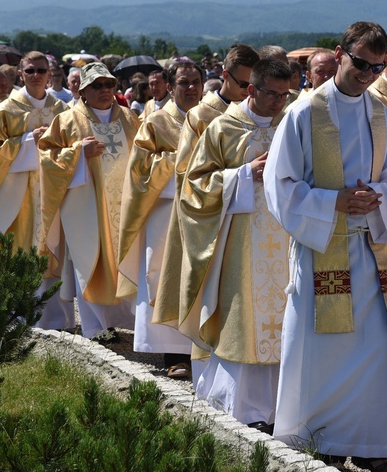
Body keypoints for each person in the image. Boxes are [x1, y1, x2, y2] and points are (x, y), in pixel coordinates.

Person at [264, 21, 387, 471]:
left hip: (369, 248)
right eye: (361, 63)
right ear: (340, 53)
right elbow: (280, 185)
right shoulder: (305, 113)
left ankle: (371, 445)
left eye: (377, 66)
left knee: (372, 349)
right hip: (322, 250)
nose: (367, 74)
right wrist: (334, 202)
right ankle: (323, 439)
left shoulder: (379, 113)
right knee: (322, 349)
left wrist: (378, 197)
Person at [168, 59, 292, 432]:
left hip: (286, 238)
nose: (279, 103)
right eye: (272, 94)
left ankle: (282, 409)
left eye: (285, 95)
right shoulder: (224, 126)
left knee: (285, 320)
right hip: (240, 242)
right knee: (243, 319)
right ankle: (242, 407)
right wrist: (242, 175)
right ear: (251, 89)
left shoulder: (292, 125)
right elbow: (192, 188)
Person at [153, 43, 259, 380]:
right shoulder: (203, 116)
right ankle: (187, 355)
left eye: (254, 85)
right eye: (244, 85)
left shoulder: (258, 114)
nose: (250, 92)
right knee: (199, 285)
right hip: (206, 213)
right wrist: (237, 177)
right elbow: (186, 173)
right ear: (224, 76)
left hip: (248, 218)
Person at [0, 51, 71, 329]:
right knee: (18, 248)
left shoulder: (62, 110)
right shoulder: (6, 110)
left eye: (41, 71)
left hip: (52, 192)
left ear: (50, 74)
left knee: (52, 248)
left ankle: (55, 319)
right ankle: (16, 317)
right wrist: (24, 142)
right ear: (20, 75)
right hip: (18, 195)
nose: (36, 76)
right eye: (30, 71)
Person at [39, 62, 140, 338]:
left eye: (109, 84)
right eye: (97, 86)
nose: (104, 90)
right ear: (83, 90)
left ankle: (129, 322)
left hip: (125, 206)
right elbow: (46, 156)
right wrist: (77, 153)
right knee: (89, 263)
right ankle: (96, 328)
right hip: (86, 207)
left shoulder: (130, 119)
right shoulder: (68, 120)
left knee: (127, 262)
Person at [117, 62, 203, 379]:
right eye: (184, 82)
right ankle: (175, 354)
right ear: (169, 84)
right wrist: (178, 159)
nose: (191, 88)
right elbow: (139, 174)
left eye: (196, 81)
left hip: (207, 213)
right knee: (165, 278)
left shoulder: (215, 119)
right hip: (166, 212)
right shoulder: (156, 122)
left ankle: (205, 348)